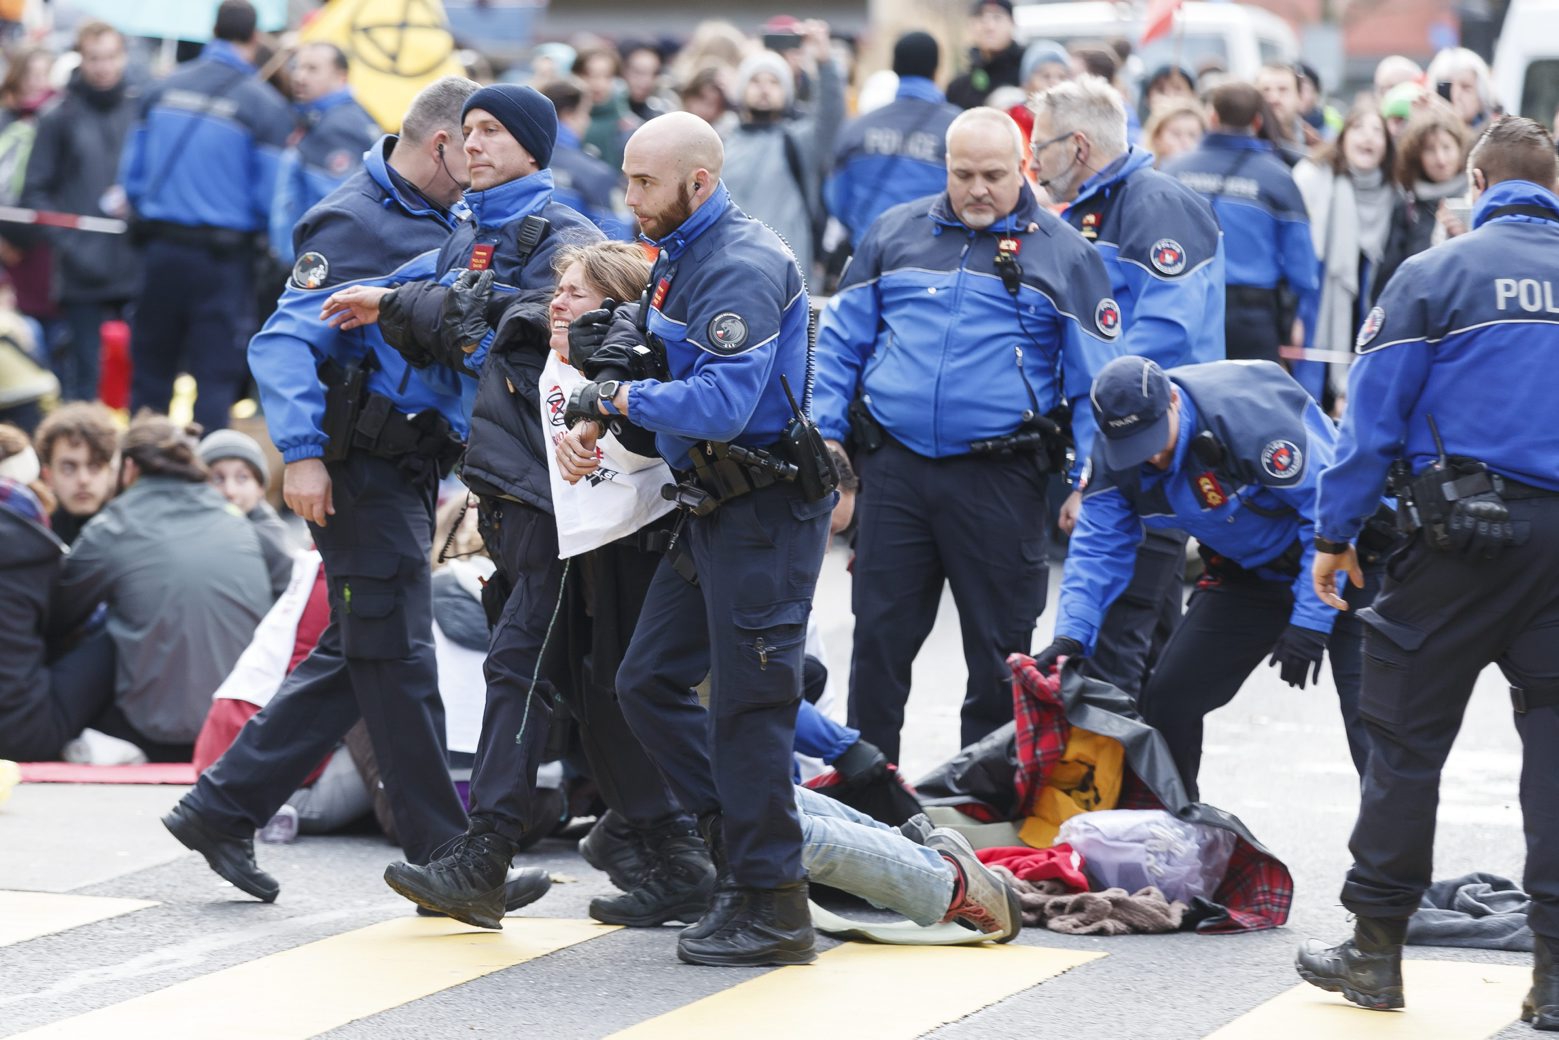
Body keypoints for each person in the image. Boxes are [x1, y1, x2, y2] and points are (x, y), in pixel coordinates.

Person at [162, 78, 548, 917]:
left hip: (407, 463)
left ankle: (220, 808)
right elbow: (284, 343)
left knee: (360, 649)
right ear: (439, 144)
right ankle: (449, 860)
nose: (480, 160)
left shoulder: (453, 219)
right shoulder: (354, 221)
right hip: (353, 467)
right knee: (400, 658)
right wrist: (301, 456)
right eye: (471, 143)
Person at [553, 111, 836, 967]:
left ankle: (774, 906)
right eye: (629, 178)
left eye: (644, 182)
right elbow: (649, 363)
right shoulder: (678, 253)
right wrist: (603, 401)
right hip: (711, 504)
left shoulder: (742, 263)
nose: (628, 197)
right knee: (645, 682)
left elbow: (722, 404)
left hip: (763, 512)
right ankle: (734, 856)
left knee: (750, 713)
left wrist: (617, 404)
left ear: (698, 182)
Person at [1297, 117, 1559, 1025]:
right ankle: (1556, 981)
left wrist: (1332, 538)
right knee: (1555, 754)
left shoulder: (1435, 273)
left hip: (1451, 551)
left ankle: (1374, 955)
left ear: (1479, 181)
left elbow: (1368, 422)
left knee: (1403, 748)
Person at [813, 106, 1121, 761]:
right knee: (877, 646)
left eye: (993, 174)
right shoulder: (894, 232)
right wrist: (830, 444)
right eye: (962, 174)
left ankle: (982, 814)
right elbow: (840, 345)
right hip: (894, 469)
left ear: (1023, 170)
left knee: (998, 659)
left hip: (1000, 480)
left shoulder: (1066, 255)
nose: (977, 188)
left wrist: (1088, 483)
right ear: (943, 169)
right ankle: (870, 807)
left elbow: (1095, 384)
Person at [1033, 355, 1380, 797]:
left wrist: (1311, 622)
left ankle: (1385, 867)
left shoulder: (1248, 418)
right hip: (1251, 571)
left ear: (1174, 401)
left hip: (1346, 560)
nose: (1152, 457)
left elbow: (1328, 515)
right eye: (1136, 448)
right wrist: (1072, 637)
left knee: (1373, 720)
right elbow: (1097, 548)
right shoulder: (1115, 454)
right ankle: (1179, 837)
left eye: (1156, 439)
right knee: (1169, 698)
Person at [1029, 76, 1224, 697]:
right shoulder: (1094, 210)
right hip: (1121, 450)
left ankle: (1124, 789)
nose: (1035, 162)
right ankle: (1164, 786)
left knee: (1117, 649)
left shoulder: (1154, 205)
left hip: (1147, 451)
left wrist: (1095, 470)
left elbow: (1154, 348)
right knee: (1156, 648)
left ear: (1079, 147)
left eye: (1042, 147)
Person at [52, 413, 272, 761]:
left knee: (101, 633)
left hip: (155, 731)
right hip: (241, 725)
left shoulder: (114, 525)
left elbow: (57, 617)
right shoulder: (235, 518)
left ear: (128, 469)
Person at [118, 0, 292, 433]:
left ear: (213, 30)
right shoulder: (264, 106)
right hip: (223, 262)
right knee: (214, 377)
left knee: (151, 371)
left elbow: (132, 180)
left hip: (160, 252)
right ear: (254, 39)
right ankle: (207, 480)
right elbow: (270, 198)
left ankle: (141, 471)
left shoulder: (162, 89)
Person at [21, 21, 138, 404]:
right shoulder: (60, 115)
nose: (103, 67)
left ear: (123, 57)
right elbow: (36, 189)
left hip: (133, 262)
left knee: (136, 373)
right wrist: (70, 244)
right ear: (81, 60)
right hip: (80, 268)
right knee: (84, 375)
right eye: (95, 58)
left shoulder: (138, 107)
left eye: (110, 57)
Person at [1164, 82, 1319, 367]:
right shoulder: (1278, 178)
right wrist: (1299, 317)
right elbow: (1303, 265)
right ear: (1257, 120)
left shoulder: (1173, 170)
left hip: (1184, 305)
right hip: (1253, 317)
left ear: (1212, 117)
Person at [1294, 105, 1399, 404]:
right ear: (1343, 137)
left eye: (1377, 131)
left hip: (1369, 312)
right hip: (1317, 307)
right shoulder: (1313, 177)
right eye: (1358, 128)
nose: (1367, 138)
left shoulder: (1394, 195)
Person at [721, 26, 843, 278]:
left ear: (787, 91)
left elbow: (830, 113)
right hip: (728, 272)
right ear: (741, 89)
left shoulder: (799, 141)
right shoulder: (720, 142)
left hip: (787, 276)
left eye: (774, 81)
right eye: (755, 81)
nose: (764, 88)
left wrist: (824, 60)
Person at [825, 31, 959, 246]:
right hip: (935, 260)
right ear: (937, 71)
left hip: (870, 253)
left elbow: (836, 201)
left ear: (894, 67)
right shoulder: (958, 129)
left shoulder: (857, 128)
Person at [269, 42, 379, 264]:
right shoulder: (321, 117)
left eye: (312, 69)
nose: (299, 76)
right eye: (297, 67)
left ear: (341, 76)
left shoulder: (339, 126)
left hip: (316, 264)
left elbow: (339, 212)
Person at [1377, 110, 1470, 295]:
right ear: (1416, 156)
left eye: (1446, 147)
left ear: (1460, 148)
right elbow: (1390, 276)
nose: (1441, 159)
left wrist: (1467, 235)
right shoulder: (1408, 206)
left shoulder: (1477, 198)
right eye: (1430, 150)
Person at [198, 428, 296, 600]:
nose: (230, 491)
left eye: (242, 477)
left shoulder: (269, 537)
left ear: (260, 488)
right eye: (217, 479)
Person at [538, 77, 631, 239]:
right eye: (586, 113)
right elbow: (618, 238)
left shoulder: (522, 162)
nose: (587, 121)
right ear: (568, 115)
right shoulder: (596, 174)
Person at [33, 401, 118, 545]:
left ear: (111, 472)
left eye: (94, 466)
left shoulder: (131, 531)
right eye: (68, 468)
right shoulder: (35, 533)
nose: (83, 480)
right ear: (48, 476)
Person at [947, 0, 1024, 110]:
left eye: (997, 17)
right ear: (971, 24)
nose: (989, 27)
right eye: (981, 18)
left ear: (1012, 24)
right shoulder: (959, 87)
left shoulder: (1030, 74)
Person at [1424, 47, 1496, 132]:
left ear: (1481, 97)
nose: (1455, 95)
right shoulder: (1424, 137)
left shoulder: (1496, 137)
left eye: (1465, 87)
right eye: (1447, 86)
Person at [1256, 62, 1317, 160]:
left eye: (1283, 90)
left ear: (1299, 96)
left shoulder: (1315, 144)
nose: (1274, 98)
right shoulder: (1248, 140)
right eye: (1266, 90)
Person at [1144, 98, 1206, 166]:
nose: (1185, 141)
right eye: (1176, 134)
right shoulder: (1142, 174)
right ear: (1156, 138)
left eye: (1192, 135)